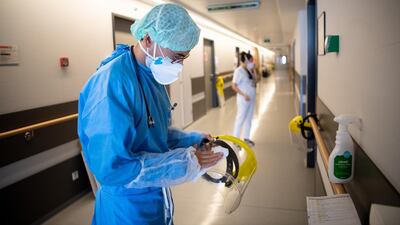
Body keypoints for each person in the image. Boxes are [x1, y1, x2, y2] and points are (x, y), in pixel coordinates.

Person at [77, 4, 223, 225]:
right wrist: (185, 163)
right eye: (176, 56)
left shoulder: (151, 77)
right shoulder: (112, 83)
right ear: (147, 39)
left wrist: (192, 139)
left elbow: (154, 133)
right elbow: (115, 168)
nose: (180, 65)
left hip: (156, 199)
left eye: (184, 57)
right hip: (125, 209)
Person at [232, 52, 259, 146]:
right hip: (243, 99)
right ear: (246, 60)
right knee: (240, 119)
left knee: (249, 118)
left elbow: (256, 80)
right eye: (251, 61)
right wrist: (244, 95)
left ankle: (246, 138)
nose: (252, 62)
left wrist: (253, 70)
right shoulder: (238, 71)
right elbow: (234, 86)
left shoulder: (248, 70)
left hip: (251, 98)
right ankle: (235, 141)